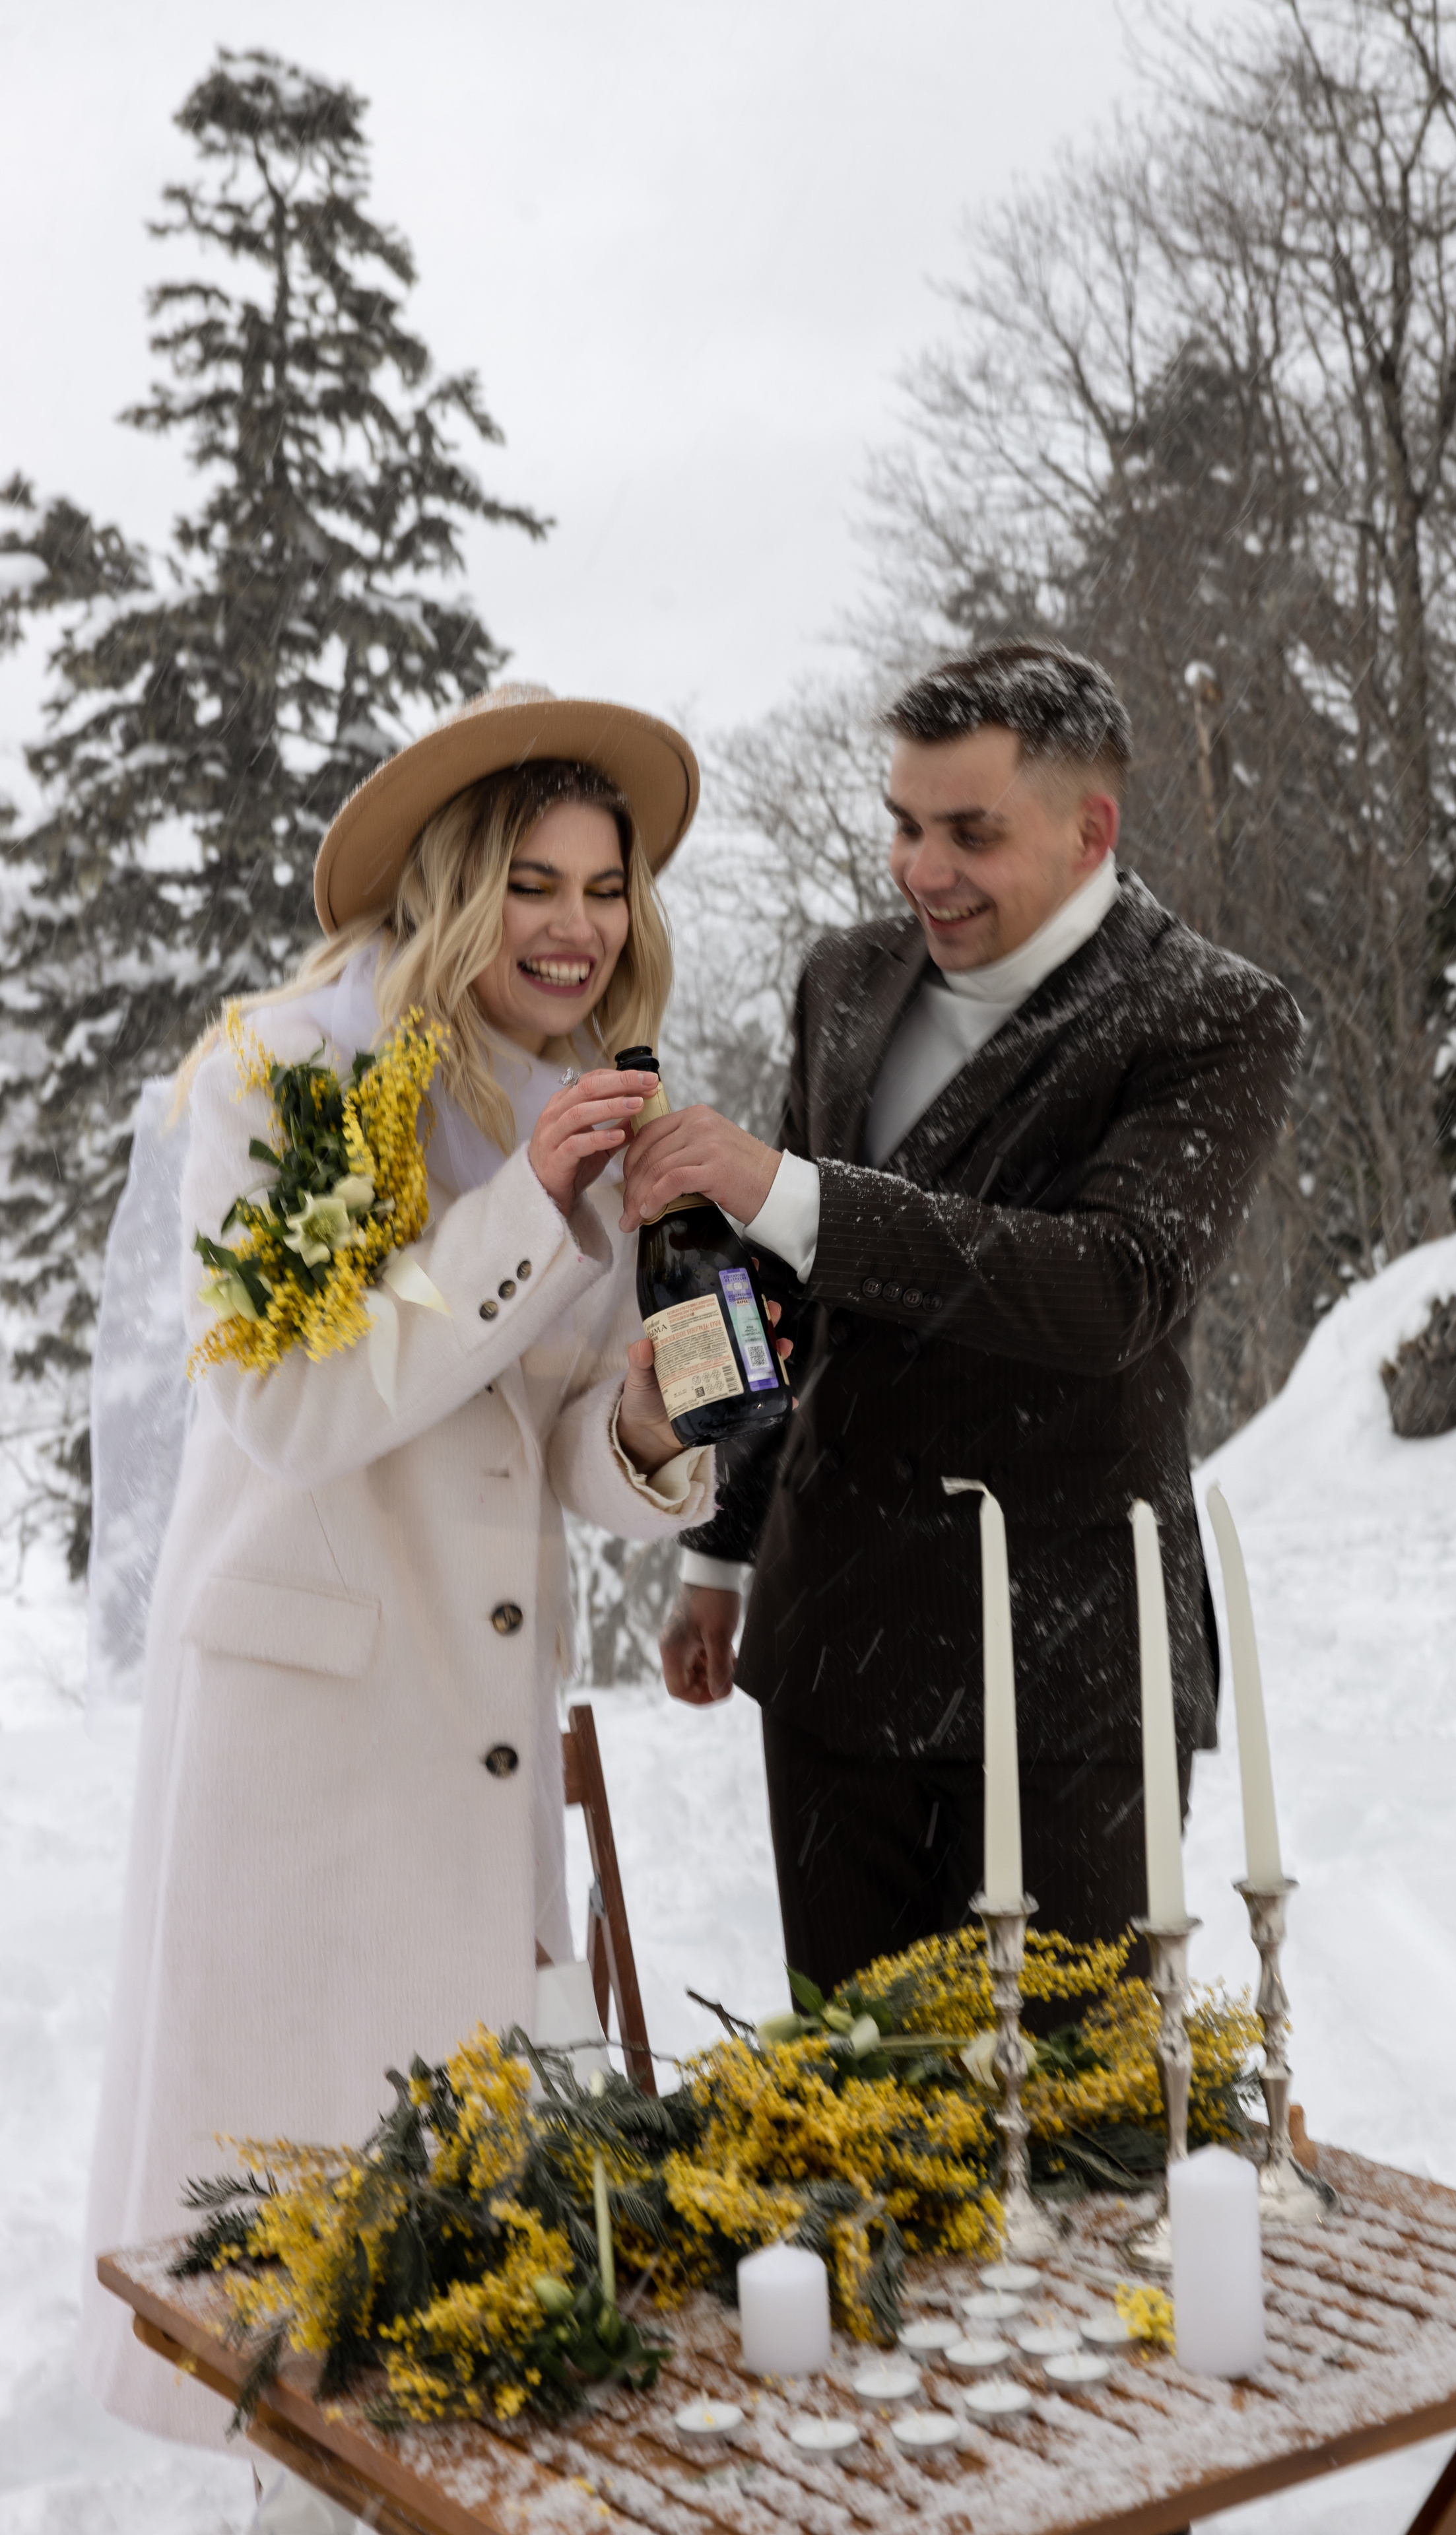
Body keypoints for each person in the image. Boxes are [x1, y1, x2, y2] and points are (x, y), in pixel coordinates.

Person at [80, 685, 721, 2478]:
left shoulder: (596, 1108)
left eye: (607, 887)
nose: (578, 925)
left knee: (469, 2298)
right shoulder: (277, 1074)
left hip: (483, 1737)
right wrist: (529, 1203)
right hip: (307, 1757)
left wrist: (664, 1414)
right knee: (302, 2300)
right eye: (534, 880)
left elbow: (569, 1452)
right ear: (452, 882)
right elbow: (291, 1404)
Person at [626, 643, 1302, 1998]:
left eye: (969, 833)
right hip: (829, 1651)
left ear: (1087, 827)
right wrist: (716, 1544)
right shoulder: (844, 979)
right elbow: (787, 1296)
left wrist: (788, 1190)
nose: (919, 868)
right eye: (904, 823)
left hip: (1068, 1675)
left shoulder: (1213, 1017)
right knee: (840, 2106)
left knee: (1066, 2147)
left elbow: (1110, 1287)